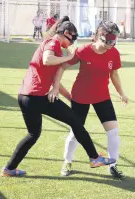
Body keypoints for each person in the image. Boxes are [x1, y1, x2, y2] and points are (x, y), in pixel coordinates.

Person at [0, 16, 116, 177]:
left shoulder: (53, 46)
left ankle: (9, 169)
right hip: (37, 97)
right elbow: (47, 60)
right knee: (76, 121)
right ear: (66, 33)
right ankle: (94, 158)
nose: (73, 43)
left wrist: (69, 97)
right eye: (73, 38)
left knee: (33, 135)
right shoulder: (53, 43)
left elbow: (53, 78)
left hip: (25, 97)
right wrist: (69, 57)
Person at [51, 21, 128, 179]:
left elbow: (114, 74)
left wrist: (121, 93)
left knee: (113, 132)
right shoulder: (83, 50)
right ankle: (67, 162)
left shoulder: (114, 53)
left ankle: (113, 166)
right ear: (101, 36)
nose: (113, 42)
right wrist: (55, 87)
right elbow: (62, 67)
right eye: (111, 38)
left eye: (115, 39)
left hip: (102, 96)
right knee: (75, 132)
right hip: (81, 97)